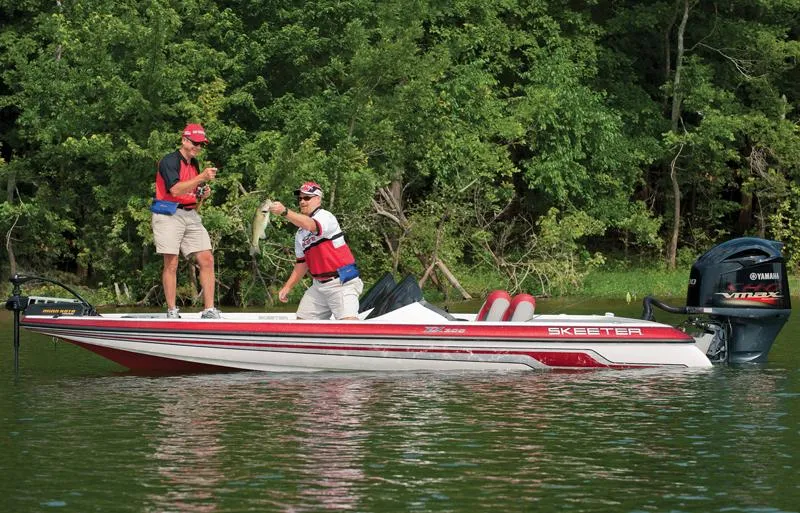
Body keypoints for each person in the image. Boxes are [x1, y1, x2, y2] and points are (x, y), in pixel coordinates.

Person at [151, 123, 221, 319]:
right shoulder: (169, 161)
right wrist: (201, 178)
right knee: (171, 263)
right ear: (184, 140)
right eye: (195, 143)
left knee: (207, 258)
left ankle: (209, 309)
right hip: (168, 214)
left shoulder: (194, 163)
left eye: (201, 144)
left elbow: (191, 189)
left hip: (190, 214)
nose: (198, 147)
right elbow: (175, 190)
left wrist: (202, 192)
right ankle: (172, 310)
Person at [269, 182, 364, 319]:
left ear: (318, 199)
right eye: (300, 198)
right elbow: (302, 263)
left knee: (348, 325)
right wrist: (288, 287)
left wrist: (285, 212)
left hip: (341, 283)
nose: (302, 201)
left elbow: (311, 225)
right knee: (301, 324)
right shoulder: (300, 233)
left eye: (307, 198)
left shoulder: (325, 216)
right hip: (318, 286)